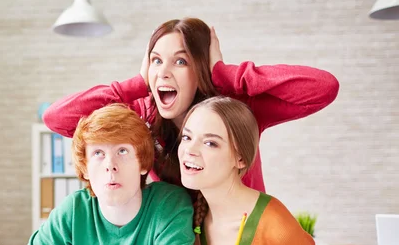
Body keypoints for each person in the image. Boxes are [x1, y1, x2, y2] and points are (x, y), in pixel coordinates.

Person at [43, 18, 339, 192]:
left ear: (201, 68)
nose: (164, 72)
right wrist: (136, 83)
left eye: (181, 61)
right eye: (156, 60)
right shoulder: (142, 114)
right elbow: (57, 119)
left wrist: (224, 72)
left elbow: (322, 88)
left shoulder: (236, 110)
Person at [179, 96, 355, 245]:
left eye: (210, 143)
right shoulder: (189, 223)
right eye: (187, 137)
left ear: (240, 158)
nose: (190, 150)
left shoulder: (276, 229)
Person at [3, 104, 195, 245]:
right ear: (84, 168)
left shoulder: (170, 205)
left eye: (122, 151)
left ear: (142, 163)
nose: (110, 166)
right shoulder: (75, 209)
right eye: (98, 153)